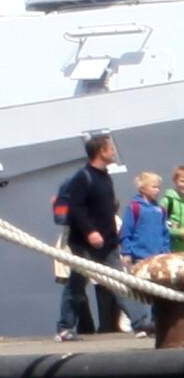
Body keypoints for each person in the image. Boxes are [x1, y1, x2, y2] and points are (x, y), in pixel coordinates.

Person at [58, 131, 130, 335]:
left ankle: (141, 322)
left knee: (120, 283)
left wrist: (114, 239)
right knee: (77, 286)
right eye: (111, 148)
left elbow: (107, 213)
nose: (114, 152)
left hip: (108, 244)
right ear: (101, 152)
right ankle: (64, 327)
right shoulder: (83, 177)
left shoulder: (105, 177)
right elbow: (75, 208)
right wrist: (90, 232)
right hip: (84, 244)